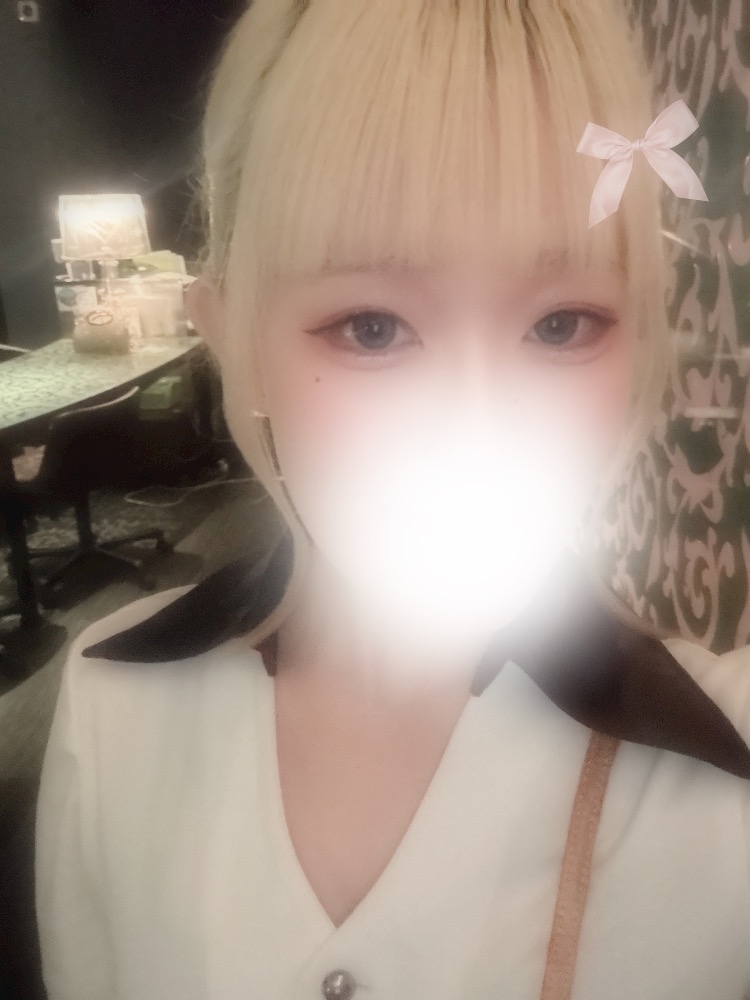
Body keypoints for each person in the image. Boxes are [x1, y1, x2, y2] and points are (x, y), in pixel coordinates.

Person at [35, 1, 750, 998]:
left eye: (561, 325)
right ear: (233, 340)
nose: (479, 426)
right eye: (371, 327)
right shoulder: (113, 711)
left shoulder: (727, 780)